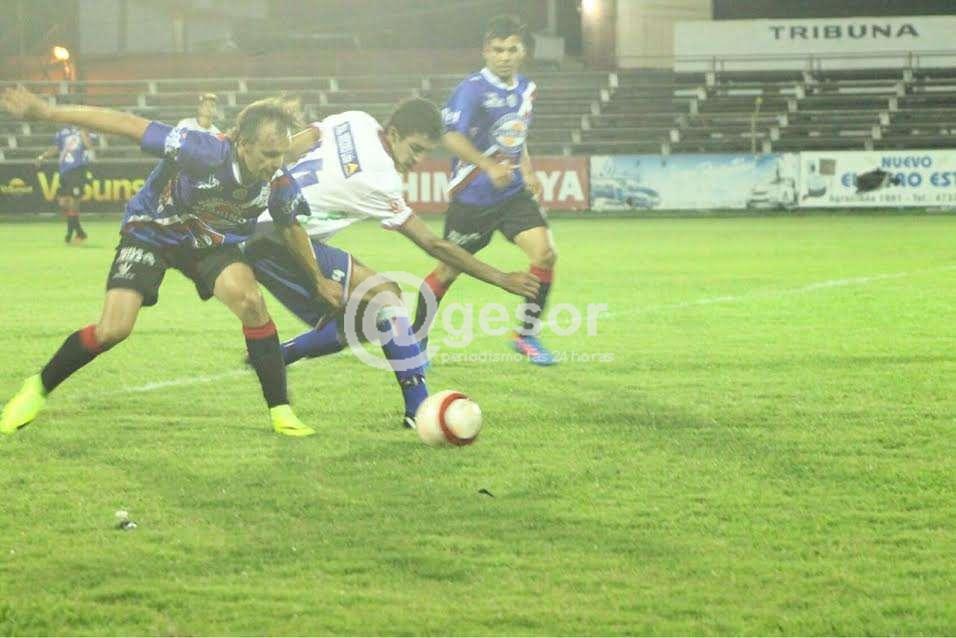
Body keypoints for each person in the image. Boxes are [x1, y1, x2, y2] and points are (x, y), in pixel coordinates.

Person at [0, 86, 340, 438]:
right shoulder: (203, 150)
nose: (274, 164)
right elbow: (127, 124)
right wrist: (47, 112)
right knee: (114, 329)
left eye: (281, 155)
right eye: (268, 154)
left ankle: (281, 411)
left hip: (207, 242)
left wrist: (318, 279)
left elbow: (290, 226)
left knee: (252, 302)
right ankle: (37, 387)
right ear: (242, 143)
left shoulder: (279, 182)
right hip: (152, 230)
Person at [243, 97, 540, 428]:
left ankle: (279, 355)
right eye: (415, 148)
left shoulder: (357, 119)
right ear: (395, 134)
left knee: (370, 318)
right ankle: (420, 409)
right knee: (386, 298)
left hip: (262, 225)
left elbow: (302, 142)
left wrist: (267, 177)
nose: (418, 159)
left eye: (426, 152)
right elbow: (433, 244)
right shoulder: (382, 180)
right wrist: (501, 278)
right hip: (279, 238)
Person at [412, 14, 559, 366]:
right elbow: (450, 136)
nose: (504, 56)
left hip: (511, 195)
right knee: (447, 271)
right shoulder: (471, 90)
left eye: (511, 49)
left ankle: (525, 335)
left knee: (545, 254)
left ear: (523, 52)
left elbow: (516, 136)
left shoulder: (527, 89)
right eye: (497, 50)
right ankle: (415, 341)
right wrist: (487, 165)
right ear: (486, 52)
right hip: (472, 198)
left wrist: (528, 170)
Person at [35, 125, 97, 243]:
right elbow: (56, 148)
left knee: (74, 202)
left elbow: (89, 146)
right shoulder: (62, 132)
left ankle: (70, 233)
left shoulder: (85, 130)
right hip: (64, 171)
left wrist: (83, 133)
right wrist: (42, 156)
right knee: (63, 202)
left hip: (78, 169)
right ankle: (79, 231)